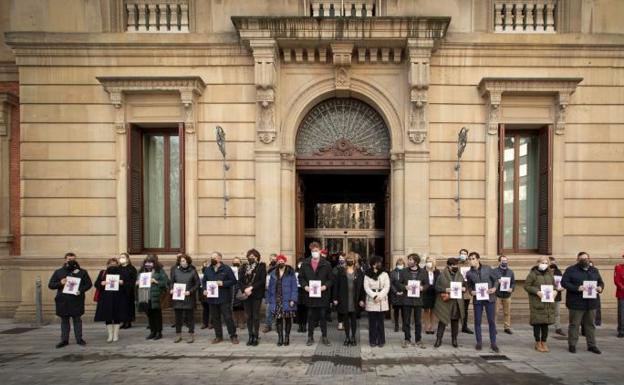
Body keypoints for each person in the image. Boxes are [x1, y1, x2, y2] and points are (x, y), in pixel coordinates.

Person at [561, 251, 604, 354]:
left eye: (586, 258)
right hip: (576, 303)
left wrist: (600, 288)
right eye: (581, 259)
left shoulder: (594, 270)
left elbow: (601, 282)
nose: (584, 260)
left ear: (589, 259)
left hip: (591, 303)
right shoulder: (571, 270)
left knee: (590, 325)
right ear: (577, 260)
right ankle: (572, 345)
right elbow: (564, 283)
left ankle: (592, 345)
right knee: (574, 325)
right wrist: (577, 288)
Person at [48, 252, 93, 348]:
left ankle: (79, 339)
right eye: (69, 260)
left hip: (76, 300)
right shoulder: (59, 272)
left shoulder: (82, 272)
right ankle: (64, 340)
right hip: (63, 300)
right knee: (64, 320)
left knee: (77, 320)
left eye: (73, 259)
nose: (71, 261)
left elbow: (88, 284)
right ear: (65, 260)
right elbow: (51, 285)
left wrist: (80, 291)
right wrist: (60, 282)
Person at [298, 241, 334, 346]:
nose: (315, 252)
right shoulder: (305, 263)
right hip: (310, 295)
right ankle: (310, 337)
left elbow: (331, 279)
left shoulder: (326, 264)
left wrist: (325, 286)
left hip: (322, 295)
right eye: (313, 251)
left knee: (323, 316)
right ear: (311, 251)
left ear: (320, 251)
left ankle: (324, 336)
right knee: (310, 316)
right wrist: (305, 286)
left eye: (316, 250)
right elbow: (301, 278)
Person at [466, 251, 500, 352]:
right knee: (477, 321)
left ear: (478, 259)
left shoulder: (488, 268)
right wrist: (471, 292)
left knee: (491, 321)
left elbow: (496, 280)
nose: (471, 261)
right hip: (478, 300)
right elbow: (469, 285)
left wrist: (494, 288)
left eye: (473, 259)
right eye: (470, 259)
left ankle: (493, 343)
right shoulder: (469, 273)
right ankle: (479, 342)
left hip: (490, 298)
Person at [203, 251, 239, 344]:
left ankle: (233, 336)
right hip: (212, 298)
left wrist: (223, 283)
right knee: (215, 318)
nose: (212, 259)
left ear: (220, 258)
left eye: (214, 258)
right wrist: (204, 290)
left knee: (228, 317)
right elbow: (204, 282)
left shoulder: (226, 269)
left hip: (224, 298)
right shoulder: (208, 269)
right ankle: (218, 336)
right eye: (211, 258)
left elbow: (233, 281)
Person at [94, 257, 132, 343]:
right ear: (107, 265)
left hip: (119, 298)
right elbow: (96, 283)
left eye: (115, 264)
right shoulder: (103, 272)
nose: (113, 266)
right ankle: (110, 335)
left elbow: (129, 284)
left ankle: (116, 334)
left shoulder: (122, 272)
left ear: (118, 265)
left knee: (117, 315)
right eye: (111, 264)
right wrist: (101, 283)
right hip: (106, 298)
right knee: (107, 316)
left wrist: (123, 283)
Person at [524, 256, 556, 352]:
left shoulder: (550, 274)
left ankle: (544, 342)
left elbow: (554, 286)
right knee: (537, 323)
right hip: (537, 302)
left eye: (546, 263)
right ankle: (538, 342)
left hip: (547, 303)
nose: (544, 264)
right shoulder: (533, 274)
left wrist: (555, 291)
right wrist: (537, 291)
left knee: (545, 323)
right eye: (542, 262)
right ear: (538, 263)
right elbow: (527, 286)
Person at [333, 252, 365, 346]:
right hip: (344, 299)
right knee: (346, 320)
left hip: (355, 299)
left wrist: (362, 299)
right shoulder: (341, 271)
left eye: (352, 259)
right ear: (346, 261)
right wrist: (335, 298)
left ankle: (353, 337)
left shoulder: (359, 272)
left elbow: (363, 287)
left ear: (355, 261)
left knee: (354, 320)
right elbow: (336, 286)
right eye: (348, 259)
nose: (350, 261)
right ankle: (347, 337)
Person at [397, 253, 428, 348]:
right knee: (406, 321)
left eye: (410, 260)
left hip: (418, 300)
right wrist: (404, 287)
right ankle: (407, 339)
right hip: (407, 299)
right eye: (408, 259)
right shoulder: (404, 271)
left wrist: (423, 288)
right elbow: (398, 283)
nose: (409, 261)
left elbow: (427, 284)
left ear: (416, 261)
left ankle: (418, 339)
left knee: (418, 321)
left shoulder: (423, 272)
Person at [433, 257, 465, 348]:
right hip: (445, 302)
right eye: (453, 265)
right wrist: (446, 289)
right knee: (442, 321)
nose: (455, 267)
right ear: (449, 266)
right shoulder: (442, 275)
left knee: (455, 322)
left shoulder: (460, 275)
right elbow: (437, 287)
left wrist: (464, 289)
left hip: (456, 302)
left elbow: (464, 285)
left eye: (456, 265)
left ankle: (454, 340)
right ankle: (438, 339)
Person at [267, 254, 298, 346]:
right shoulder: (272, 273)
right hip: (276, 299)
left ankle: (287, 337)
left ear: (285, 261)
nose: (281, 262)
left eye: (282, 261)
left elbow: (294, 287)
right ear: (277, 262)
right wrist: (269, 300)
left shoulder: (290, 272)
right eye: (279, 261)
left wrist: (293, 299)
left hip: (288, 299)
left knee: (288, 319)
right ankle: (280, 337)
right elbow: (269, 288)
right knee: (278, 319)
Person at [238, 248, 267, 346]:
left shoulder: (261, 266)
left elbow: (262, 280)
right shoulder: (243, 267)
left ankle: (256, 336)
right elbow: (240, 280)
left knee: (255, 315)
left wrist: (251, 288)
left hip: (256, 294)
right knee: (248, 316)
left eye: (253, 257)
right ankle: (250, 335)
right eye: (250, 257)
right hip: (246, 294)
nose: (251, 258)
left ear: (257, 257)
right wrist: (245, 289)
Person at [170, 253, 200, 343]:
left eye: (183, 260)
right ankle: (178, 334)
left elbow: (198, 284)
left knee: (189, 317)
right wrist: (171, 289)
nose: (181, 262)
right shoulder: (175, 270)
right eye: (180, 261)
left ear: (187, 261)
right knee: (178, 317)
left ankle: (191, 334)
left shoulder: (193, 271)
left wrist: (190, 291)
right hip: (178, 297)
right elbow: (172, 282)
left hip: (188, 298)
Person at [137, 254, 168, 340]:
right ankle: (152, 331)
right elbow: (137, 280)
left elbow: (166, 282)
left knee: (157, 314)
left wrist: (155, 281)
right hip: (145, 296)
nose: (148, 264)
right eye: (147, 262)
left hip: (155, 295)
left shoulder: (159, 271)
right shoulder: (142, 271)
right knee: (150, 314)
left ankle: (159, 332)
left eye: (150, 262)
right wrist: (137, 282)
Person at [364, 255, 390, 348]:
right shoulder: (367, 274)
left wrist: (380, 296)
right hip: (372, 299)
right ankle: (372, 340)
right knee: (372, 322)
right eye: (377, 262)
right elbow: (366, 287)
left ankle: (381, 340)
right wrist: (374, 296)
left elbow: (387, 287)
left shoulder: (385, 274)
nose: (379, 264)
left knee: (380, 322)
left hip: (381, 299)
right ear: (373, 264)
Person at [493, 255, 515, 334]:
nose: (504, 262)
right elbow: (491, 281)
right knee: (495, 312)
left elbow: (513, 283)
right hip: (497, 295)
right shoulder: (494, 271)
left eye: (506, 260)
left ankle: (507, 327)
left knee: (507, 312)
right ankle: (493, 327)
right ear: (499, 261)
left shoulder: (510, 272)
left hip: (507, 295)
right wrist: (497, 281)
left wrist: (511, 288)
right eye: (503, 261)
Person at [118, 253, 137, 329]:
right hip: (120, 290)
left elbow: (133, 280)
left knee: (128, 307)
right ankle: (123, 321)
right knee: (121, 307)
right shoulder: (118, 268)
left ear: (127, 259)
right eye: (120, 257)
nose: (121, 259)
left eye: (123, 257)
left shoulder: (131, 268)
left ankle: (128, 322)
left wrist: (124, 283)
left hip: (128, 291)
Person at [548, 256, 566, 336]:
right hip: (547, 295)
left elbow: (563, 282)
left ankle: (558, 328)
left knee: (557, 312)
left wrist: (562, 287)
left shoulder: (559, 272)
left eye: (554, 262)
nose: (553, 264)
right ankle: (544, 327)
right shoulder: (544, 271)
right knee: (546, 312)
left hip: (557, 295)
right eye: (551, 262)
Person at [422, 255, 440, 335]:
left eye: (430, 261)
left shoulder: (437, 271)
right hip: (425, 292)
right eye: (427, 261)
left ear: (433, 263)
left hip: (434, 292)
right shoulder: (422, 271)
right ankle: (427, 326)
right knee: (426, 310)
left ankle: (432, 327)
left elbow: (439, 281)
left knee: (433, 310)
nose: (429, 263)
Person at [458, 248, 473, 334]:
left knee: (465, 309)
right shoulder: (457, 263)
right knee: (457, 308)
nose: (463, 255)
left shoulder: (470, 264)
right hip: (458, 289)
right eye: (461, 253)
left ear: (467, 255)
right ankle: (455, 325)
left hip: (467, 290)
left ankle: (464, 326)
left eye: (464, 253)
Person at [262, 253, 278, 333]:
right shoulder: (266, 268)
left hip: (277, 292)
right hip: (268, 292)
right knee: (268, 310)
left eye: (275, 259)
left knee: (277, 309)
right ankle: (268, 325)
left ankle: (277, 325)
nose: (273, 260)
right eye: (272, 259)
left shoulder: (280, 268)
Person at [389, 258, 405, 333]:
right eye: (399, 264)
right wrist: (396, 292)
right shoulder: (392, 273)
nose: (400, 266)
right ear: (396, 265)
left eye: (401, 264)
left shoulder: (406, 272)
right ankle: (396, 325)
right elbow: (390, 284)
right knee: (396, 311)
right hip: (395, 295)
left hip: (404, 295)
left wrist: (404, 291)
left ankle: (404, 325)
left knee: (404, 311)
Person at [231, 257, 246, 330]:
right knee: (233, 307)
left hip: (240, 289)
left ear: (240, 263)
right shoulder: (230, 270)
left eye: (237, 262)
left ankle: (241, 322)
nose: (236, 263)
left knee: (241, 307)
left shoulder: (243, 270)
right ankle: (235, 322)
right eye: (234, 262)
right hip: (232, 289)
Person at [333, 252, 346, 331]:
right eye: (340, 259)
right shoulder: (336, 268)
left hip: (347, 291)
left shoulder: (348, 267)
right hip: (338, 290)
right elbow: (333, 277)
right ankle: (340, 323)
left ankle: (345, 323)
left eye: (342, 259)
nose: (341, 260)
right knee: (339, 308)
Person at [295, 258, 308, 333]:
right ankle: (300, 325)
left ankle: (304, 325)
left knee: (305, 309)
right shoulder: (294, 272)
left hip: (305, 291)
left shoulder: (306, 272)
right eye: (299, 263)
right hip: (297, 291)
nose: (300, 265)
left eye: (302, 263)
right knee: (298, 309)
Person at [199, 259, 212, 330]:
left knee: (211, 308)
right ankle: (205, 323)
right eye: (204, 265)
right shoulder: (200, 275)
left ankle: (211, 323)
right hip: (202, 293)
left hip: (210, 292)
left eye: (207, 265)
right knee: (205, 309)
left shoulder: (212, 273)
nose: (205, 266)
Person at [615, 252, 624, 338]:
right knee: (622, 313)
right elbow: (617, 281)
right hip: (622, 294)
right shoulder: (619, 267)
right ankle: (621, 330)